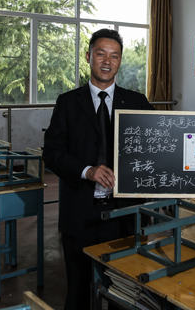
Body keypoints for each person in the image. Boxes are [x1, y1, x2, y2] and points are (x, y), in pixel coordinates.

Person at [43, 28, 154, 310]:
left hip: (124, 213)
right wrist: (87, 171)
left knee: (124, 290)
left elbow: (166, 141)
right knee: (78, 290)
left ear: (120, 61)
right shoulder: (67, 102)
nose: (107, 61)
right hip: (80, 211)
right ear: (88, 56)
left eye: (114, 56)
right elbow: (52, 153)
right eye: (101, 54)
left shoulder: (138, 103)